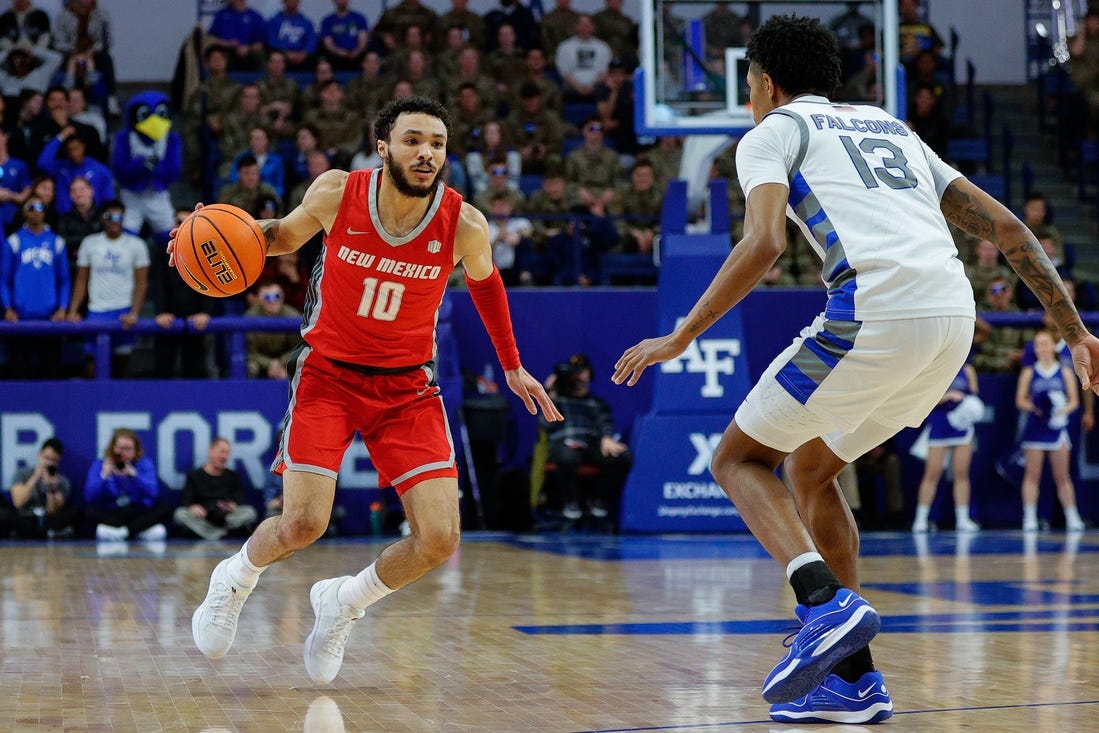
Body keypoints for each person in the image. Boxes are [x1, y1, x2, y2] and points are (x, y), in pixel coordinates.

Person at [611, 15, 1099, 725]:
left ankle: (822, 602)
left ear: (766, 84)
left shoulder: (772, 131)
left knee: (737, 459)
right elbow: (1008, 230)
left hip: (875, 312)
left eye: (748, 86)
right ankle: (853, 681)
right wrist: (1076, 330)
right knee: (809, 471)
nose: (748, 99)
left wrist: (683, 332)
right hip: (952, 323)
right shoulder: (888, 126)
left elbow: (765, 241)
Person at [173, 95, 561, 683]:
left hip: (408, 389)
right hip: (328, 376)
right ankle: (233, 579)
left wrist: (511, 365)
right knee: (303, 525)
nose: (426, 152)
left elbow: (486, 285)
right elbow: (277, 237)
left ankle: (344, 602)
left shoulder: (464, 223)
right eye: (413, 140)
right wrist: (209, 235)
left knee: (439, 539)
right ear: (383, 147)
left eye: (437, 143)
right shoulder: (337, 191)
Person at [542, 354, 631, 522]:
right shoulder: (557, 400)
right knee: (567, 455)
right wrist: (548, 392)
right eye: (573, 372)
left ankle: (598, 500)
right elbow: (544, 425)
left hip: (590, 446)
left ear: (589, 374)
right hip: (564, 446)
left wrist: (606, 437)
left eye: (581, 371)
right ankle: (571, 503)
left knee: (623, 456)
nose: (577, 376)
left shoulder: (597, 403)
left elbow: (605, 423)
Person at [1016, 330, 1087, 533]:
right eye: (1038, 344)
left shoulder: (1063, 371)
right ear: (1035, 349)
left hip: (1057, 428)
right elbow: (1020, 400)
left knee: (1062, 476)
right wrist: (1037, 408)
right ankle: (1029, 518)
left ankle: (1072, 517)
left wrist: (1059, 411)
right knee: (1032, 475)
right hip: (1036, 428)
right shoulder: (1029, 372)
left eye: (1046, 344)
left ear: (1052, 347)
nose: (1043, 348)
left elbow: (1074, 401)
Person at [0, 194, 69, 378]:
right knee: (20, 371)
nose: (36, 212)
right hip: (20, 320)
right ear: (23, 211)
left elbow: (64, 280)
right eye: (31, 207)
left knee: (51, 371)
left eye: (40, 208)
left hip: (50, 320)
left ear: (45, 212)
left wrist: (62, 307)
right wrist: (8, 308)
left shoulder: (57, 242)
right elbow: (4, 280)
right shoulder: (13, 241)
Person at [911, 362, 982, 533]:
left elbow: (973, 393)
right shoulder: (934, 365)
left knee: (961, 473)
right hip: (940, 422)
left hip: (962, 423)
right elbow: (925, 398)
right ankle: (920, 519)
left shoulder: (968, 369)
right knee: (932, 474)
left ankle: (963, 519)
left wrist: (968, 404)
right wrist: (948, 396)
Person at [84, 427, 171, 542]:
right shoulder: (100, 464)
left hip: (137, 511)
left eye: (128, 449)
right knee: (87, 513)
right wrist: (103, 476)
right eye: (121, 448)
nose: (124, 453)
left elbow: (153, 492)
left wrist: (135, 476)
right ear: (113, 448)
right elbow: (89, 497)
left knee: (165, 509)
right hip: (112, 512)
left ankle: (123, 532)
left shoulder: (144, 464)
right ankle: (135, 531)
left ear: (136, 450)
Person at [175, 437, 258, 541]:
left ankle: (217, 533)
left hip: (227, 518)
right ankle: (217, 533)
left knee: (250, 512)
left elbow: (239, 501)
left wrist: (232, 506)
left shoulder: (233, 476)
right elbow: (186, 501)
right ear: (210, 451)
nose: (224, 456)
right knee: (180, 514)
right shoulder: (194, 476)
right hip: (203, 519)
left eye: (227, 453)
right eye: (222, 452)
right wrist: (193, 507)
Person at [1, 437, 80, 539]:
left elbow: (52, 511)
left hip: (48, 520)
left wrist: (50, 488)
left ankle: (39, 533)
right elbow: (18, 503)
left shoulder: (62, 481)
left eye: (54, 460)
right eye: (46, 458)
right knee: (4, 514)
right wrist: (35, 477)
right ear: (39, 454)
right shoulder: (23, 473)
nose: (49, 463)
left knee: (76, 512)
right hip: (24, 518)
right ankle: (43, 533)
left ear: (59, 461)